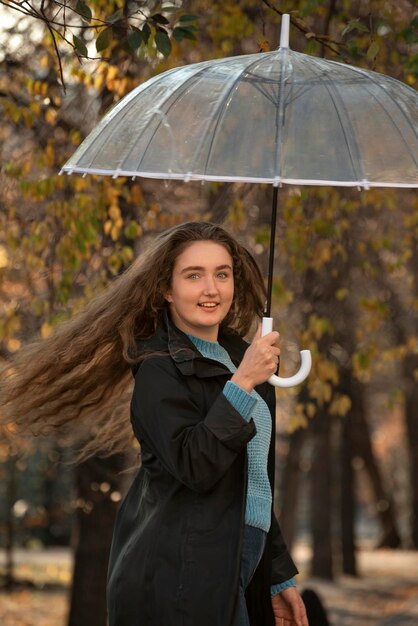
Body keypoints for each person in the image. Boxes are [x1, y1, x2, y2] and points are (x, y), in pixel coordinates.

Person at [2, 221, 308, 626]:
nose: (211, 289)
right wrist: (244, 382)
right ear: (167, 289)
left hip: (237, 558)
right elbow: (195, 465)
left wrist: (276, 575)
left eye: (222, 273)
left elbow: (253, 481)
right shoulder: (159, 370)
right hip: (178, 572)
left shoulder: (242, 358)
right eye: (193, 275)